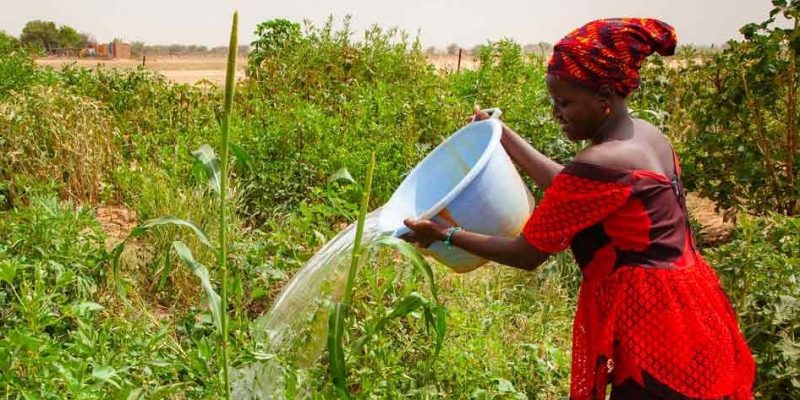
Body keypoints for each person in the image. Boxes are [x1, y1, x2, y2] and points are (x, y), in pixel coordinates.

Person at [402, 18, 755, 400]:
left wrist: (445, 234)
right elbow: (572, 189)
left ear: (604, 97)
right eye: (554, 101)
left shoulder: (601, 161)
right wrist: (500, 135)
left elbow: (527, 254)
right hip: (693, 304)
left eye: (565, 102)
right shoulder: (647, 136)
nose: (557, 112)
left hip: (652, 324)